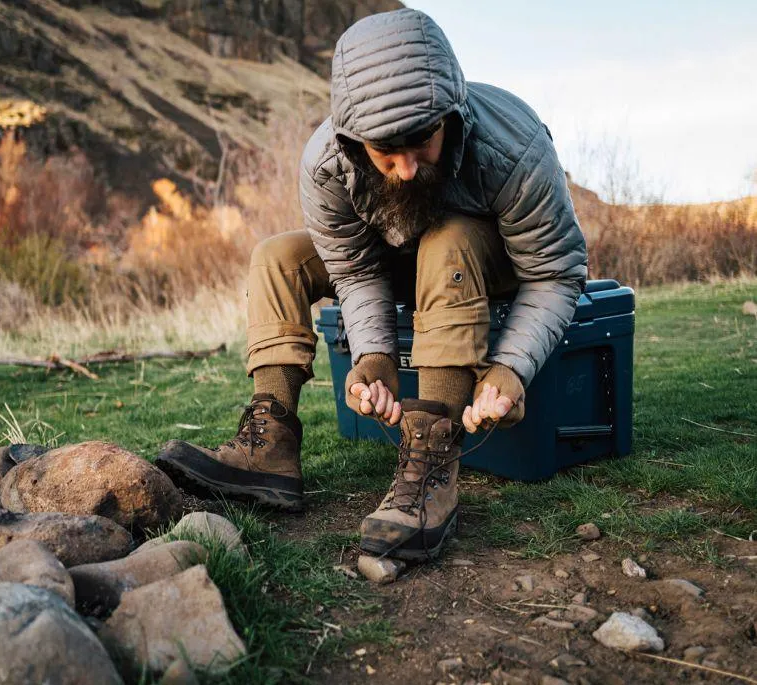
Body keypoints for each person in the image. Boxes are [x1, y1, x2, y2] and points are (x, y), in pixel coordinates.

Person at [156, 8, 587, 561]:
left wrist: (511, 367)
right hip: (396, 258)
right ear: (355, 141)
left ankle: (432, 464)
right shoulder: (326, 166)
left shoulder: (514, 146)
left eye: (424, 144)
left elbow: (555, 271)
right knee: (276, 257)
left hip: (485, 265)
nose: (408, 169)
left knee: (447, 238)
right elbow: (356, 271)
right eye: (388, 153)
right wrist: (375, 356)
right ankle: (270, 451)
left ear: (450, 114)